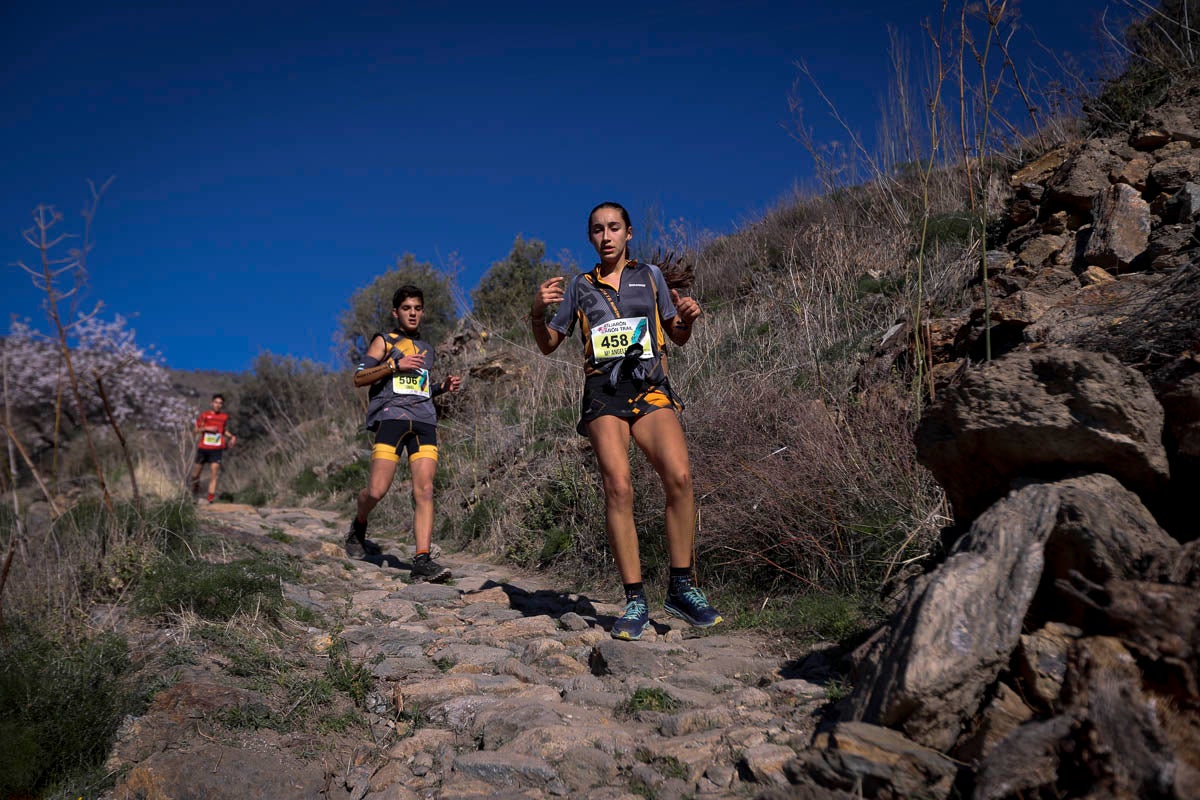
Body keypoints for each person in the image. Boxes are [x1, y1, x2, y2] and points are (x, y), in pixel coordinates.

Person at [529, 201, 721, 641]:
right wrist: (537, 312)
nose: (606, 236)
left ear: (629, 233)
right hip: (604, 393)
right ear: (590, 238)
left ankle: (682, 587)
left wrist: (687, 320)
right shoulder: (580, 287)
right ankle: (635, 600)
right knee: (618, 485)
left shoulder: (650, 276)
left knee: (680, 477)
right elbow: (548, 345)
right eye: (597, 230)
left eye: (614, 227)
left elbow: (676, 333)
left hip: (651, 388)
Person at [348, 284, 462, 582]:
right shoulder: (384, 341)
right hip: (392, 420)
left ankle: (422, 560)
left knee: (424, 490)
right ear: (396, 312)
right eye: (407, 308)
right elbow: (359, 377)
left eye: (417, 308)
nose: (413, 313)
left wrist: (442, 388)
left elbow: (419, 388)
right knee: (376, 491)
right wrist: (393, 364)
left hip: (424, 421)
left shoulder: (427, 350)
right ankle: (359, 523)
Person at [190, 394, 237, 503]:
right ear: (212, 403)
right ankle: (194, 492)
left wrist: (232, 436)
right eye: (216, 402)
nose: (218, 405)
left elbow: (222, 430)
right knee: (195, 475)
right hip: (203, 448)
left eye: (220, 403)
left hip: (216, 449)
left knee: (214, 473)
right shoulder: (204, 415)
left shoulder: (224, 417)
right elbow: (195, 430)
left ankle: (210, 498)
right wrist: (207, 428)